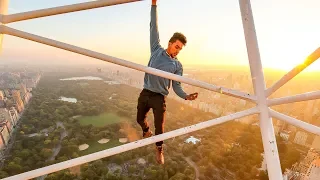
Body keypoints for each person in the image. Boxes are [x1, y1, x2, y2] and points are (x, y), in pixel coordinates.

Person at [136, 0, 198, 165]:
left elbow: (177, 86)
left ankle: (159, 148)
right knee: (139, 119)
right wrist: (154, 5)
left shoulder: (177, 65)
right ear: (170, 43)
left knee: (160, 127)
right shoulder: (156, 49)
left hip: (160, 97)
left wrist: (186, 97)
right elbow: (153, 27)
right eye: (176, 46)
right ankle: (146, 131)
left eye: (180, 49)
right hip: (146, 91)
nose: (178, 50)